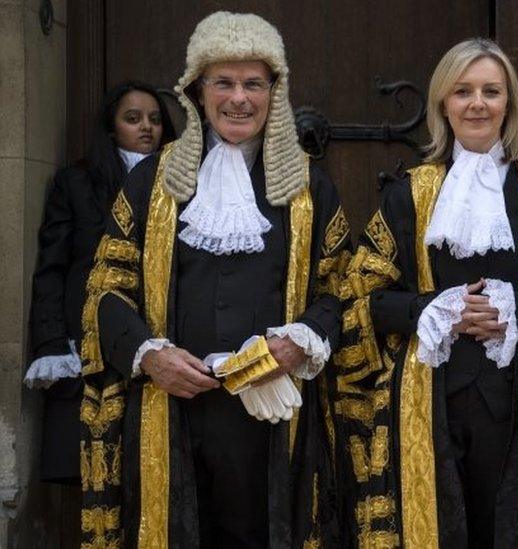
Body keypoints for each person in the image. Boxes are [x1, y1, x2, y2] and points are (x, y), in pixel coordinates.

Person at [79, 12, 349, 547]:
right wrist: (148, 356)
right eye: (222, 82)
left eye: (253, 83)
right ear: (197, 92)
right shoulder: (150, 182)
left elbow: (343, 289)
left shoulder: (309, 189)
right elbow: (106, 285)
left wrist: (298, 344)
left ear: (275, 92)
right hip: (171, 409)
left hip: (273, 415)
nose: (238, 99)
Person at [332, 38, 518, 548]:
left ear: (509, 105)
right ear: (443, 105)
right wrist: (434, 311)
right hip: (428, 401)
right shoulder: (407, 194)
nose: (477, 103)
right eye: (463, 91)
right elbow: (362, 296)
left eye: (491, 91)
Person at [25, 81, 175, 484]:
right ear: (112, 128)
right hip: (87, 335)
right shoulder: (77, 182)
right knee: (94, 471)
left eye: (156, 119)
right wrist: (52, 342)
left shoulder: (181, 183)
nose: (147, 127)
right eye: (133, 118)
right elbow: (52, 267)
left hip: (159, 337)